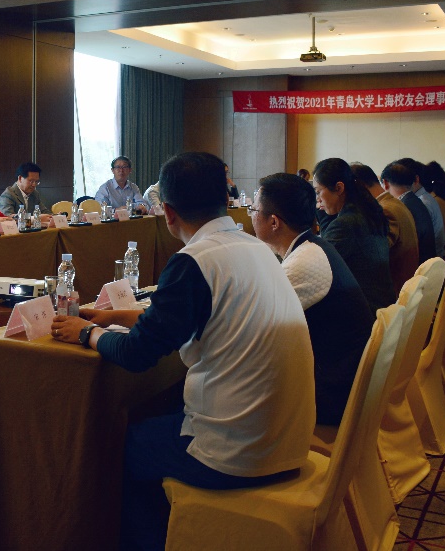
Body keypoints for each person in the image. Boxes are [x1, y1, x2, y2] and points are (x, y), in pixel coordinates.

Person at [52, 152, 314, 551]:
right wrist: (110, 317)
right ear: (226, 199)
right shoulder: (258, 248)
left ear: (168, 212)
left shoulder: (195, 260)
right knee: (158, 407)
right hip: (289, 439)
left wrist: (87, 332)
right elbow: (178, 317)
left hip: (237, 453)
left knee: (124, 442)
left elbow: (137, 355)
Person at [250, 173, 373, 426]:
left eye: (254, 209)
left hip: (332, 393)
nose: (251, 215)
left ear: (274, 222)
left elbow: (253, 326)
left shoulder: (304, 262)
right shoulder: (312, 246)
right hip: (343, 377)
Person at [313, 158, 395, 312]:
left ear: (339, 188)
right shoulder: (365, 211)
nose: (317, 199)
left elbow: (318, 267)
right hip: (382, 303)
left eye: (318, 192)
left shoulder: (346, 224)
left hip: (365, 311)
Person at [350, 162, 419, 296]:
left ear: (359, 187)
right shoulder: (394, 203)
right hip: (405, 285)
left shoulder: (384, 210)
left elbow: (375, 255)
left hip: (394, 292)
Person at [380, 162, 437, 264]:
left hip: (416, 267)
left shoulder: (402, 206)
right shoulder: (414, 201)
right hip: (427, 263)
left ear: (385, 183)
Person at [395, 158, 445, 261]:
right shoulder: (425, 197)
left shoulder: (421, 203)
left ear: (416, 179)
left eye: (403, 180)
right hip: (434, 259)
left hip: (431, 263)